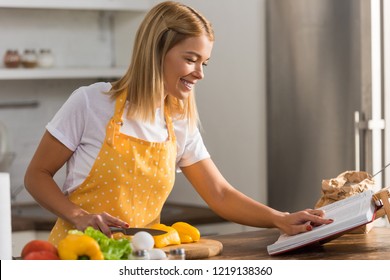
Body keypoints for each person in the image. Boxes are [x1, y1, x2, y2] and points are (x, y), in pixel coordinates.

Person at [24, 1, 332, 246]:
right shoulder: (91, 102)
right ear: (156, 50)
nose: (200, 73)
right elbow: (37, 175)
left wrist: (281, 218)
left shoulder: (178, 122)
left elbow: (219, 194)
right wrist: (78, 215)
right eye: (190, 59)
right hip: (78, 257)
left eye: (204, 62)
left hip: (141, 262)